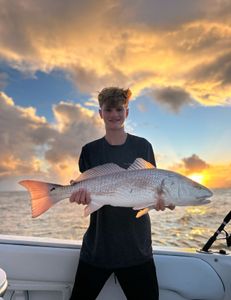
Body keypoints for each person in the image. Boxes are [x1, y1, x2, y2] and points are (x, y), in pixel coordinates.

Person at [69, 87, 175, 300]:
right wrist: (79, 195)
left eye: (119, 109)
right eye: (109, 110)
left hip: (136, 249)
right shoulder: (90, 150)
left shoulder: (143, 146)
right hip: (97, 247)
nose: (114, 115)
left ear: (127, 112)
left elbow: (152, 188)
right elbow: (88, 187)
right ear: (100, 113)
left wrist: (161, 202)